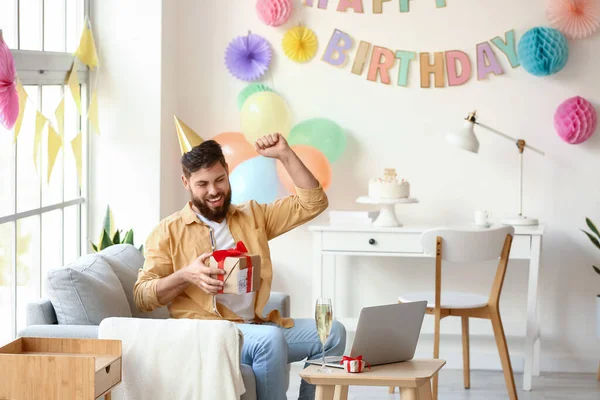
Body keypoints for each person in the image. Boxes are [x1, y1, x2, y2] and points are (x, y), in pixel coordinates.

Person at [133, 133, 346, 400]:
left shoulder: (252, 215)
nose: (213, 191)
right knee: (270, 340)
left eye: (219, 180)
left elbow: (314, 202)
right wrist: (186, 275)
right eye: (202, 184)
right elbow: (142, 297)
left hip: (253, 326)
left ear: (227, 172)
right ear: (186, 182)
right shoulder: (168, 232)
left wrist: (285, 154)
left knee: (333, 333)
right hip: (210, 335)